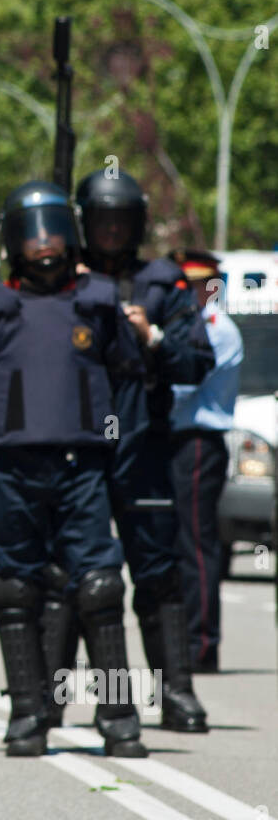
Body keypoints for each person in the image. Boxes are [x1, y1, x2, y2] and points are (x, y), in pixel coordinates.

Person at [0, 181, 150, 759]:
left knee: (102, 587)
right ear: (12, 242)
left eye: (54, 230)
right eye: (32, 234)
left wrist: (125, 462)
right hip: (13, 467)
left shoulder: (100, 301)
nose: (44, 244)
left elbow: (130, 384)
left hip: (84, 468)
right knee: (14, 588)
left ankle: (119, 718)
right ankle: (29, 715)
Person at [72, 170, 215, 732]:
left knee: (158, 574)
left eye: (120, 221)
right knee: (75, 574)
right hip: (77, 444)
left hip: (145, 443)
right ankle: (48, 696)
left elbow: (196, 362)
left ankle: (177, 692)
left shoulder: (163, 282)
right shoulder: (60, 277)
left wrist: (151, 334)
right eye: (101, 220)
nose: (110, 231)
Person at [167, 249, 243, 673]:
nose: (185, 293)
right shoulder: (193, 326)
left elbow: (185, 384)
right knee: (183, 542)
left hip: (199, 440)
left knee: (197, 544)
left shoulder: (215, 329)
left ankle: (201, 644)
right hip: (183, 440)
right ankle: (188, 639)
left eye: (192, 286)